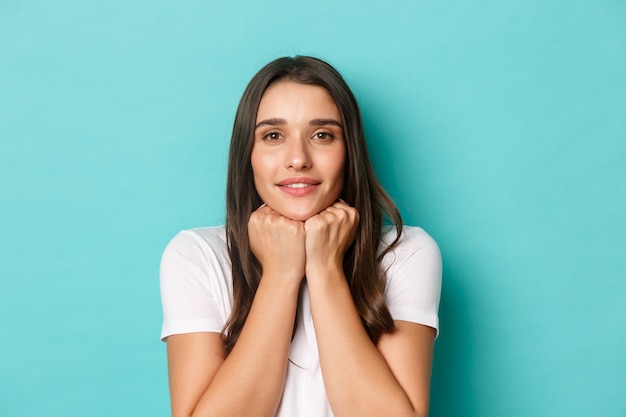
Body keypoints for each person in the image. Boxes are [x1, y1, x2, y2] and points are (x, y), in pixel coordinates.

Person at [160, 56, 442, 417]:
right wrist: (279, 274)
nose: (298, 159)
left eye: (322, 135)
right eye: (273, 135)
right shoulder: (196, 255)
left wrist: (325, 267)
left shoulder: (406, 253)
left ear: (349, 152)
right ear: (248, 154)